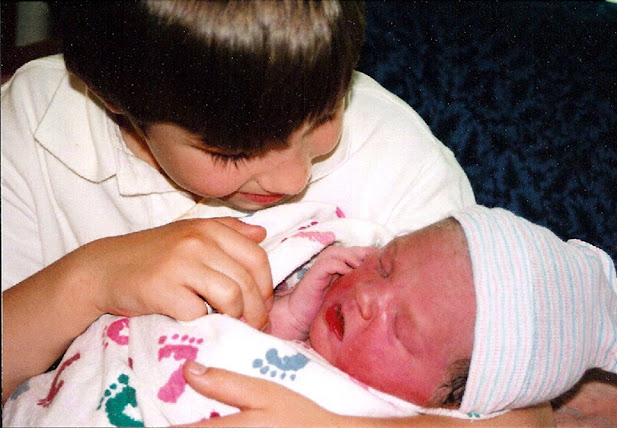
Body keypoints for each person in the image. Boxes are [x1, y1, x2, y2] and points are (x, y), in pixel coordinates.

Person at [1, 0, 555, 425]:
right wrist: (89, 280)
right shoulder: (33, 126)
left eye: (324, 115)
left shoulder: (394, 156)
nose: (294, 179)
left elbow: (524, 414)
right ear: (112, 96)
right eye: (232, 151)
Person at [4, 205, 617, 427]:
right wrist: (283, 317)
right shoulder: (306, 277)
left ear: (449, 405)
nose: (368, 298)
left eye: (402, 330)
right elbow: (243, 346)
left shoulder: (382, 413)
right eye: (384, 264)